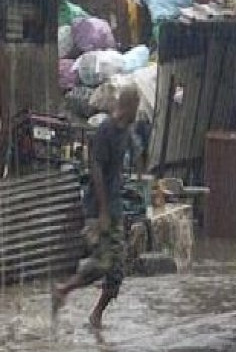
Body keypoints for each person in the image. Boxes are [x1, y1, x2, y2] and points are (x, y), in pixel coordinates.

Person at [52, 85, 141, 329]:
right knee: (104, 262)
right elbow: (97, 171)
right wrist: (101, 212)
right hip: (99, 208)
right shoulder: (105, 131)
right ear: (129, 106)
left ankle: (95, 316)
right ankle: (63, 289)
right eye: (137, 106)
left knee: (117, 269)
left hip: (114, 208)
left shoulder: (125, 130)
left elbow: (133, 149)